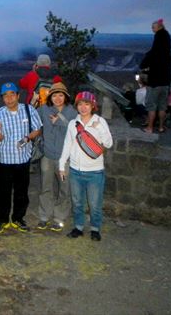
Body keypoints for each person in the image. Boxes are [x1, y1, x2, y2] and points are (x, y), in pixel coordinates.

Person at [59, 92, 113, 241]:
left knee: (95, 203)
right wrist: (61, 165)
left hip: (95, 171)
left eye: (87, 104)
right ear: (77, 106)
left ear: (93, 106)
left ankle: (95, 229)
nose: (83, 107)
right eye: (80, 104)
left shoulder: (100, 121)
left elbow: (109, 143)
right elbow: (67, 145)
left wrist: (99, 128)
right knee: (77, 202)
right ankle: (78, 227)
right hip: (76, 171)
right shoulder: (72, 124)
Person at [0, 83, 42, 234]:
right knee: (3, 192)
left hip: (23, 160)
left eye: (12, 94)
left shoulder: (28, 110)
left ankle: (19, 218)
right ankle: (2, 220)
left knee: (22, 191)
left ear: (18, 96)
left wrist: (28, 137)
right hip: (5, 160)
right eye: (5, 95)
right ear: (2, 98)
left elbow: (37, 129)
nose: (9, 98)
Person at [36, 83, 77, 232]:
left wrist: (60, 121)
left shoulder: (72, 112)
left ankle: (59, 217)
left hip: (64, 158)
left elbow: (76, 129)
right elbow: (32, 118)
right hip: (47, 155)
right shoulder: (44, 110)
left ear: (65, 97)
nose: (57, 98)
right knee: (46, 187)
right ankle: (44, 216)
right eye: (54, 95)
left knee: (64, 188)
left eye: (61, 95)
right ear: (50, 97)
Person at [140, 19, 171, 133]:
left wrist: (145, 65)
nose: (152, 29)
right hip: (165, 82)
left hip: (154, 82)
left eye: (153, 27)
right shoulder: (168, 53)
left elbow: (145, 63)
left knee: (152, 106)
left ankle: (149, 127)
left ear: (159, 27)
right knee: (163, 106)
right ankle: (161, 127)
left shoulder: (155, 52)